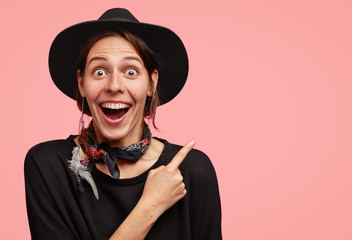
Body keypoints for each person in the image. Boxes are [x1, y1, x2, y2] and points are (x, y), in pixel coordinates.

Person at [25, 8, 222, 240]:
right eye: (99, 72)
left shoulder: (191, 171)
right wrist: (150, 206)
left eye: (130, 71)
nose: (114, 85)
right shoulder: (48, 165)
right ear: (81, 84)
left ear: (151, 83)